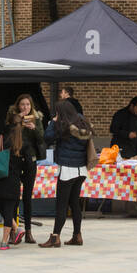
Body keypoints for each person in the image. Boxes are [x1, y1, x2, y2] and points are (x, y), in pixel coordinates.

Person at [40, 100, 93, 248]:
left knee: (61, 204)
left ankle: (55, 237)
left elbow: (47, 138)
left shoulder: (62, 125)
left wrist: (52, 122)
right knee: (74, 203)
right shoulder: (82, 121)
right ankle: (77, 235)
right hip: (81, 168)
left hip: (67, 168)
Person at [0, 107, 38, 250]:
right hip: (13, 180)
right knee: (8, 210)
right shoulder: (24, 143)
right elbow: (29, 164)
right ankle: (7, 238)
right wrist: (22, 176)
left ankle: (7, 238)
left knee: (2, 208)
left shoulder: (0, 137)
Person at [8, 94, 45, 244]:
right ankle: (14, 231)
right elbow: (7, 134)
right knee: (14, 196)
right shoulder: (13, 118)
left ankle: (29, 231)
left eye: (28, 105)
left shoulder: (36, 118)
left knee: (28, 197)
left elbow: (42, 139)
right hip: (15, 159)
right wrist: (18, 123)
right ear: (18, 106)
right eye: (22, 105)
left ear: (31, 106)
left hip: (30, 159)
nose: (25, 107)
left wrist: (34, 128)